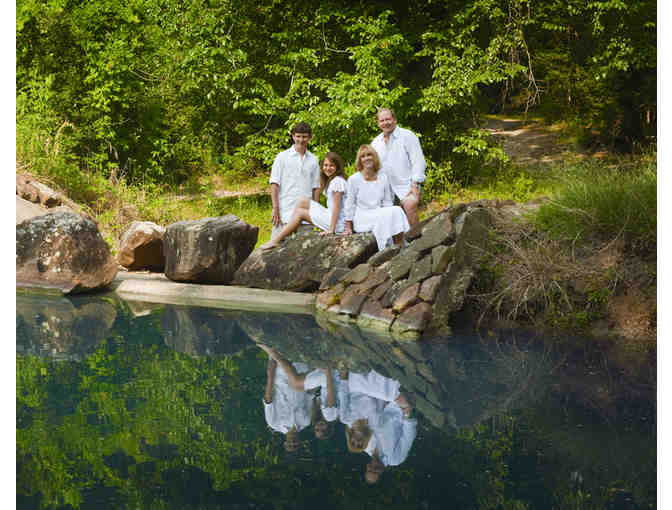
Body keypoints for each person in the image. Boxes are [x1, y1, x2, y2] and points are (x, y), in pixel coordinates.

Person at [340, 370, 417, 485]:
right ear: (382, 472)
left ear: (367, 467)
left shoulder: (365, 445)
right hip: (399, 410)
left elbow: (372, 414)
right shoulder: (395, 459)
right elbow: (409, 435)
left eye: (370, 470)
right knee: (388, 388)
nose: (373, 468)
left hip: (383, 399)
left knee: (369, 383)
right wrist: (407, 413)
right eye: (376, 472)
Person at [260, 152, 348, 250]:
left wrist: (331, 230)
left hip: (337, 223)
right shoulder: (333, 180)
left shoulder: (337, 182)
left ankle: (276, 240)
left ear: (337, 167)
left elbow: (337, 208)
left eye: (331, 165)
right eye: (325, 165)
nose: (328, 168)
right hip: (331, 215)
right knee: (302, 201)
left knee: (300, 213)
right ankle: (289, 228)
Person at [343, 145, 410, 251]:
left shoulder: (383, 177)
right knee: (389, 213)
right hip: (363, 216)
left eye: (369, 155)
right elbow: (349, 204)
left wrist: (388, 216)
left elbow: (387, 202)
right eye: (363, 156)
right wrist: (348, 227)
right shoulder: (354, 179)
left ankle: (400, 245)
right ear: (360, 160)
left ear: (374, 157)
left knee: (396, 210)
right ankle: (393, 248)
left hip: (379, 212)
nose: (366, 158)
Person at [371, 108, 426, 228]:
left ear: (394, 120)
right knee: (390, 221)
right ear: (378, 123)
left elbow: (418, 162)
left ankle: (416, 237)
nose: (385, 123)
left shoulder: (407, 136)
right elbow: (373, 168)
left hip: (407, 186)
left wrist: (415, 184)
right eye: (382, 120)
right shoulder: (375, 143)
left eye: (388, 119)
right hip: (386, 190)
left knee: (410, 205)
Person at [259, 345, 321, 452]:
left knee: (276, 342)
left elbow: (268, 399)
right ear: (300, 442)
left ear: (285, 443)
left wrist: (270, 374)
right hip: (300, 369)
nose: (292, 443)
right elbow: (309, 395)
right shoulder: (306, 421)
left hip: (280, 374)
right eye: (295, 445)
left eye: (290, 445)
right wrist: (315, 371)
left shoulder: (274, 423)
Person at [269, 122, 321, 240]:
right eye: (298, 136)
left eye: (304, 137)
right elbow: (274, 184)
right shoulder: (282, 157)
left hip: (305, 214)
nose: (301, 140)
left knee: (305, 246)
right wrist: (275, 208)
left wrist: (316, 211)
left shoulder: (314, 160)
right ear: (293, 136)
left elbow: (316, 187)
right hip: (284, 212)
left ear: (310, 137)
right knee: (275, 245)